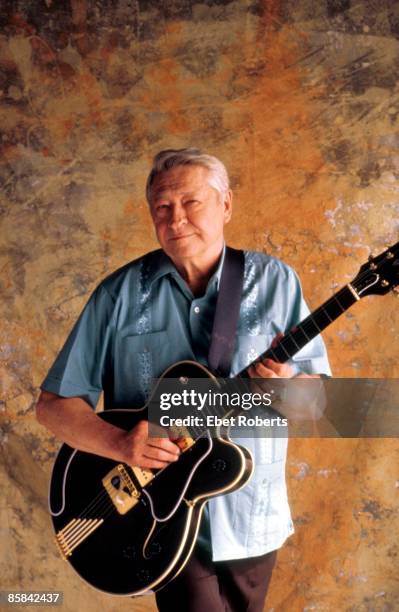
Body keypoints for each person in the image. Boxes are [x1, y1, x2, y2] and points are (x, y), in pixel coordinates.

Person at [36, 148, 331, 612]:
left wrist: (288, 382)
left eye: (191, 203)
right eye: (162, 207)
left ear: (226, 205)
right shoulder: (118, 294)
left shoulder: (277, 283)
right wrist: (119, 446)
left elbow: (316, 406)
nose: (176, 219)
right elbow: (53, 405)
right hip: (159, 516)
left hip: (254, 512)